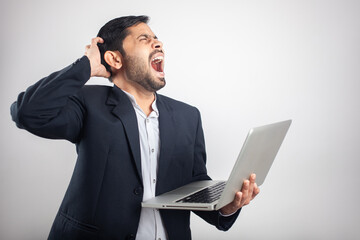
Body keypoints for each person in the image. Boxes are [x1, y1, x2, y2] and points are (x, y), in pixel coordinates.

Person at [10, 15, 260, 240]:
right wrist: (86, 66)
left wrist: (226, 207)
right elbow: (28, 113)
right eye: (144, 39)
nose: (158, 43)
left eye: (157, 38)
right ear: (115, 58)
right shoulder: (88, 102)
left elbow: (192, 184)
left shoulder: (188, 116)